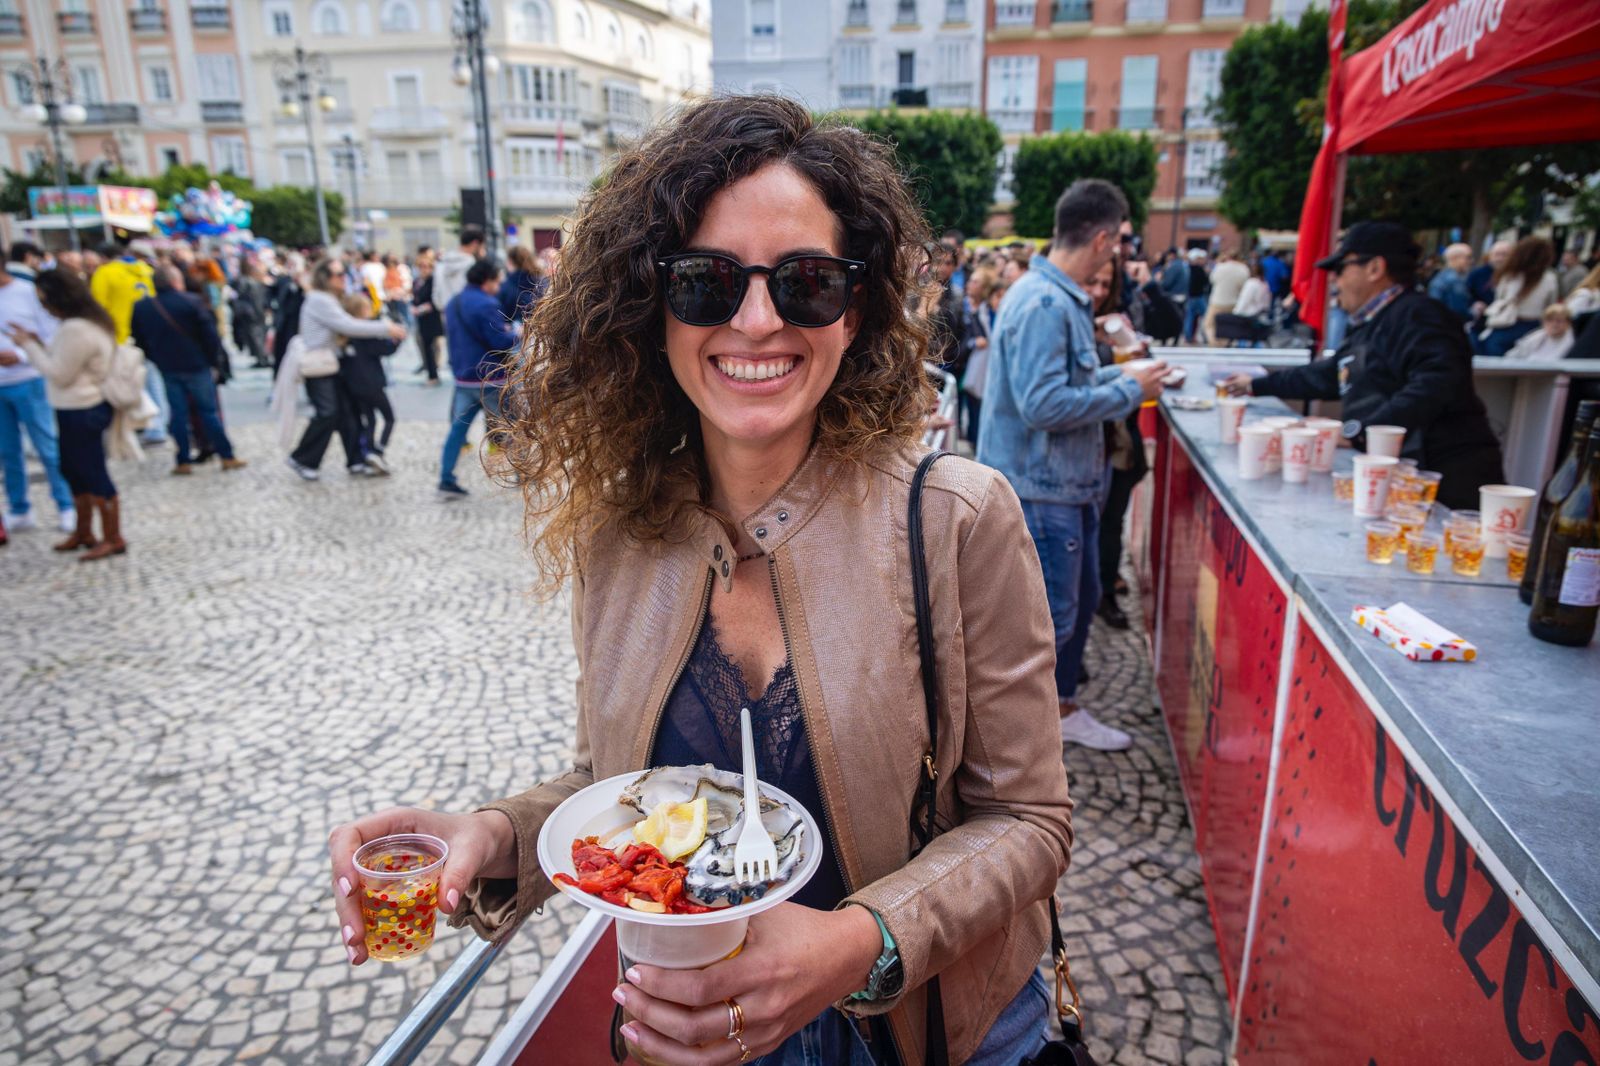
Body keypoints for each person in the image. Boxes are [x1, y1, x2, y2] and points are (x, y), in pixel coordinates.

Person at [329, 95, 1075, 1066]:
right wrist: (491, 835)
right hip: (694, 1036)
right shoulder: (619, 532)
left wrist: (858, 941)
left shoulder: (955, 516)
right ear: (654, 308)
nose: (757, 319)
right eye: (705, 281)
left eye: (805, 281)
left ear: (854, 309)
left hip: (933, 1031)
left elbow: (1027, 819)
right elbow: (622, 786)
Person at [976, 178, 1169, 752]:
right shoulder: (1043, 302)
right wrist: (1129, 391)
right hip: (1046, 489)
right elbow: (1044, 405)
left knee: (1071, 606)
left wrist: (1124, 377)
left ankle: (1051, 710)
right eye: (1122, 242)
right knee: (1054, 616)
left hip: (1061, 485)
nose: (1122, 253)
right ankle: (1045, 719)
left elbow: (1067, 385)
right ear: (1104, 237)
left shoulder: (1051, 296)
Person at [1224, 221, 1504, 509]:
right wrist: (1257, 384)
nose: (1335, 280)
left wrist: (1358, 431)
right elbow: (1334, 374)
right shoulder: (1376, 320)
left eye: (1340, 269)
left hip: (1443, 486)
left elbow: (1436, 385)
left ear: (1374, 269)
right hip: (1404, 480)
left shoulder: (1421, 315)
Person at [8, 270, 125, 560]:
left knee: (91, 471)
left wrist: (28, 346)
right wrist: (40, 343)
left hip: (82, 407)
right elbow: (66, 360)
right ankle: (85, 531)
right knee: (74, 470)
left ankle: (113, 536)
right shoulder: (83, 324)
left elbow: (59, 373)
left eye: (44, 298)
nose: (43, 305)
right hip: (76, 407)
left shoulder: (77, 329)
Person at [286, 258, 407, 481]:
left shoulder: (326, 299)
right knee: (328, 413)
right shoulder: (320, 300)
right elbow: (348, 325)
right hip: (320, 365)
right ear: (326, 278)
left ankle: (355, 460)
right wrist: (387, 327)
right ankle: (303, 458)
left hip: (331, 364)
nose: (344, 277)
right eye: (338, 274)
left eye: (344, 273)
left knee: (347, 415)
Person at [1085, 259, 1150, 632]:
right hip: (1092, 445)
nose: (1097, 290)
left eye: (1104, 282)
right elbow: (1048, 402)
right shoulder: (1068, 317)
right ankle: (1100, 590)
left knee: (1110, 523)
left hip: (1117, 443)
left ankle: (1105, 589)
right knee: (1098, 525)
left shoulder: (1122, 316)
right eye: (1092, 280)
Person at [130, 265, 244, 476]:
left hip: (168, 366)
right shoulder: (192, 302)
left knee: (178, 414)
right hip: (196, 365)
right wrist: (213, 362)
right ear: (176, 281)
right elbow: (211, 337)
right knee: (208, 412)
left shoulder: (143, 307)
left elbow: (140, 340)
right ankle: (226, 455)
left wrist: (157, 358)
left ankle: (183, 459)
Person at [0, 250, 75, 535]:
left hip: (29, 378)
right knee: (7, 452)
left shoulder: (27, 293)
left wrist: (20, 354)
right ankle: (19, 508)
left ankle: (66, 504)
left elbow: (51, 335)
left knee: (47, 445)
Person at [437, 258, 517, 499]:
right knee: (514, 424)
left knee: (457, 431)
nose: (499, 284)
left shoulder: (453, 303)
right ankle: (525, 473)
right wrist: (517, 333)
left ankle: (446, 478)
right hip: (491, 378)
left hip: (463, 378)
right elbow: (499, 342)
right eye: (496, 280)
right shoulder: (487, 304)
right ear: (486, 281)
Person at [337, 291, 398, 474]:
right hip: (373, 384)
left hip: (355, 386)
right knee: (389, 417)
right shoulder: (366, 332)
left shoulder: (347, 335)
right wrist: (397, 341)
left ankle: (369, 452)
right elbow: (385, 350)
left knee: (370, 420)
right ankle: (378, 449)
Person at [1479, 235, 1558, 356]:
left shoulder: (1510, 275)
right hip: (1534, 326)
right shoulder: (1549, 278)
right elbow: (1550, 305)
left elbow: (1500, 298)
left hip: (1507, 324)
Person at [433, 226, 485, 315]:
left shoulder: (442, 261)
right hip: (467, 314)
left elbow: (436, 293)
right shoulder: (472, 264)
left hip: (447, 314)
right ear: (475, 243)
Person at [410, 249, 445, 386]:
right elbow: (415, 297)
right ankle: (432, 374)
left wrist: (419, 309)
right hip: (421, 319)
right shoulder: (417, 281)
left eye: (426, 267)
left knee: (431, 347)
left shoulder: (432, 281)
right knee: (425, 347)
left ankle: (433, 375)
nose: (423, 270)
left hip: (431, 318)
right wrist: (413, 306)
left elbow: (434, 300)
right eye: (421, 267)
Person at [1203, 250, 1249, 344]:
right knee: (1229, 326)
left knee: (1209, 324)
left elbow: (1212, 280)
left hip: (1218, 301)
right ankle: (1226, 343)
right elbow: (1244, 286)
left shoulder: (1220, 267)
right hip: (1234, 302)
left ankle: (1215, 343)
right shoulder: (1243, 269)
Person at [231, 259, 271, 368]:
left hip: (253, 314)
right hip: (256, 313)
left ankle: (262, 359)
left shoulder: (248, 282)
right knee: (258, 336)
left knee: (256, 337)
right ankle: (262, 358)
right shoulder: (255, 282)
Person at [1506, 303, 1576, 361]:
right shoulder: (1537, 336)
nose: (1554, 324)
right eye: (1550, 320)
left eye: (1559, 321)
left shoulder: (1572, 340)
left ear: (1568, 323)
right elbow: (1513, 355)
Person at [498, 244, 547, 325]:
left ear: (510, 261)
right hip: (539, 329)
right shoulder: (541, 281)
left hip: (514, 333)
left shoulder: (505, 286)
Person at [1427, 242, 1474, 322]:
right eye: (1468, 257)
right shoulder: (1454, 281)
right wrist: (1473, 313)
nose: (1471, 261)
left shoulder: (1440, 277)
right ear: (1455, 258)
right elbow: (1459, 310)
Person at [1467, 238, 1510, 324]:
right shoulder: (1477, 274)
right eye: (1497, 254)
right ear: (1490, 256)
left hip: (1506, 320)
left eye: (1504, 255)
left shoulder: (1515, 275)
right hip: (1481, 320)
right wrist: (1475, 303)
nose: (1500, 258)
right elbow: (1467, 293)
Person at [1183, 247, 1210, 343]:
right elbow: (1205, 282)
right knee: (1207, 316)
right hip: (1198, 296)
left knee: (1189, 317)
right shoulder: (1199, 269)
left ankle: (1188, 336)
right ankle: (1206, 336)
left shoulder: (1187, 268)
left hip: (1190, 296)